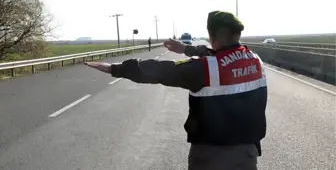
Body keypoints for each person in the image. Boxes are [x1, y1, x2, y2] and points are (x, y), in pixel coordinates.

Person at [85, 11, 268, 170]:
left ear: (212, 36)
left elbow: (162, 71)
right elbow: (221, 56)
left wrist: (116, 69)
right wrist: (186, 48)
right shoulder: (255, 60)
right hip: (247, 155)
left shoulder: (205, 69)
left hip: (210, 157)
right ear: (237, 34)